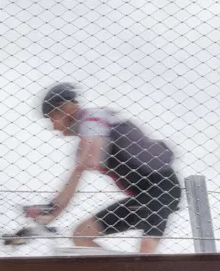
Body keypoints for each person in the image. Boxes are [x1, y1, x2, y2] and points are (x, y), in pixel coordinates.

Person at [18, 79, 181, 253]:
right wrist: (40, 221)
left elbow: (91, 160)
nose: (53, 127)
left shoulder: (93, 118)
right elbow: (68, 193)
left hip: (163, 189)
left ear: (66, 108)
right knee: (81, 235)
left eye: (52, 118)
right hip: (140, 198)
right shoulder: (83, 144)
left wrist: (52, 209)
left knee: (147, 249)